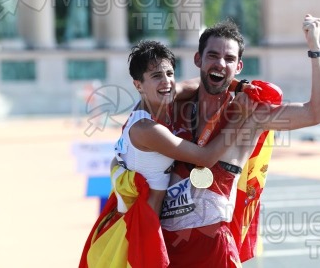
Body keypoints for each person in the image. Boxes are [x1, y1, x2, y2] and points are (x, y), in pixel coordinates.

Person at [160, 14, 320, 267]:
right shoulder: (176, 107)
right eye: (213, 56)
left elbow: (317, 112)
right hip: (165, 247)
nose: (220, 63)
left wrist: (315, 49)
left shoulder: (251, 114)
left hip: (213, 250)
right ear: (198, 59)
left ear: (238, 67)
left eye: (229, 59)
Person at [79, 40, 256, 268]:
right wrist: (238, 118)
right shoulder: (148, 130)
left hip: (142, 225)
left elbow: (193, 86)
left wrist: (233, 85)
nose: (166, 82)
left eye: (170, 73)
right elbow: (205, 158)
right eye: (156, 76)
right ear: (138, 85)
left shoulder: (145, 109)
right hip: (141, 238)